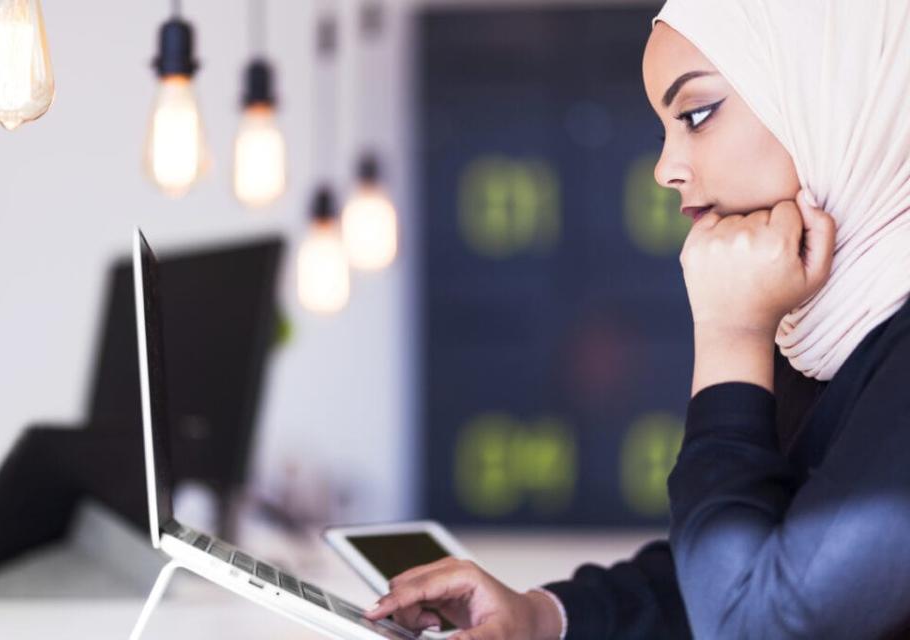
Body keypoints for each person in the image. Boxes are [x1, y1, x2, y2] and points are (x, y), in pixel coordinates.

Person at [365, 0, 910, 638]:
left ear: (836, 95)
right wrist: (541, 616)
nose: (665, 170)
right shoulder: (833, 329)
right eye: (665, 131)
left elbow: (753, 623)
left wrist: (731, 337)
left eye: (698, 115)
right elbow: (737, 564)